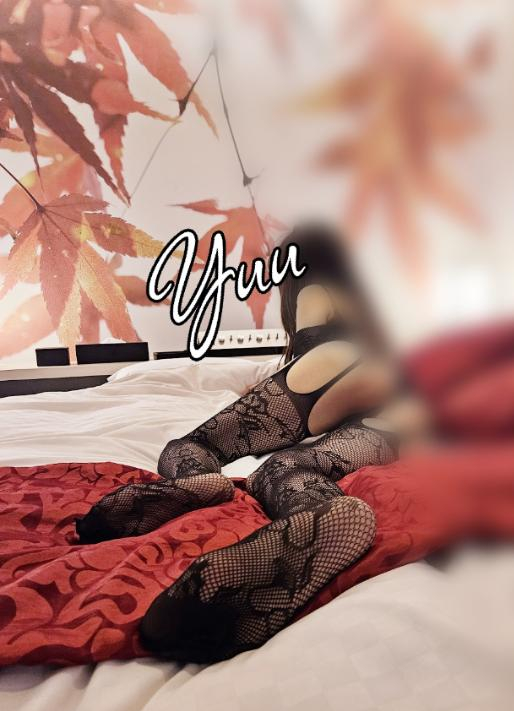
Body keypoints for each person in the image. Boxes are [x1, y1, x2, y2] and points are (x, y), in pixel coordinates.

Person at [76, 226, 425, 663]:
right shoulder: (375, 303)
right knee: (292, 467)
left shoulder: (314, 286)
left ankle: (199, 479)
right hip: (410, 400)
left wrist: (272, 382)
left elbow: (314, 355)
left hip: (341, 363)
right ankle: (320, 511)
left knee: (196, 447)